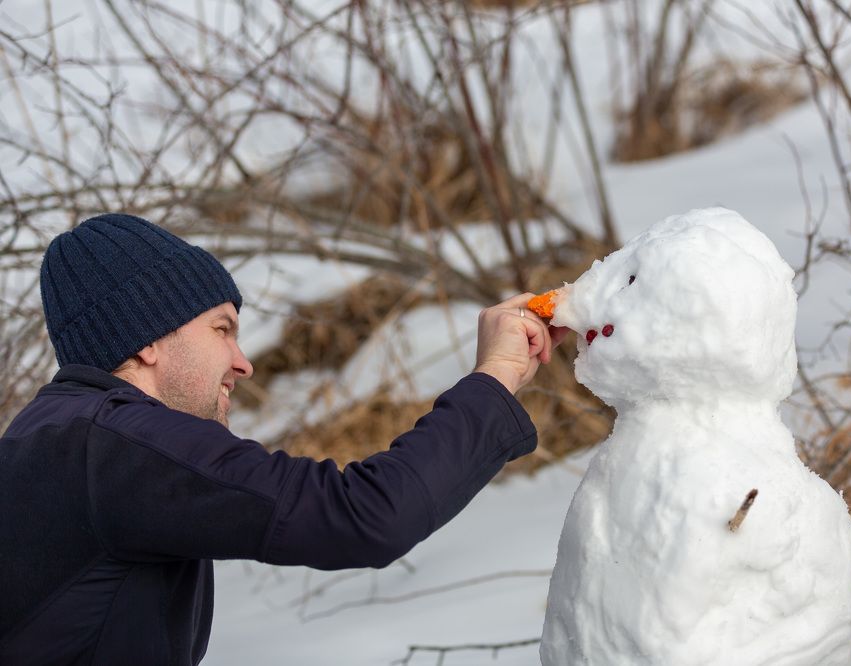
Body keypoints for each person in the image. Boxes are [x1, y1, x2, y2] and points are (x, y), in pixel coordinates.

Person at [0, 213, 568, 665]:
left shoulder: (45, 440)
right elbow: (365, 515)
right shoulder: (119, 445)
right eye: (222, 328)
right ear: (147, 338)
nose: (242, 363)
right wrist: (497, 375)